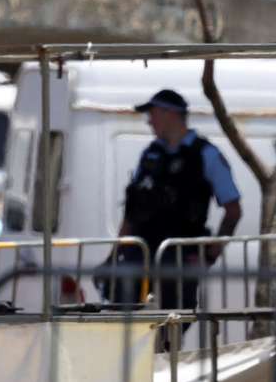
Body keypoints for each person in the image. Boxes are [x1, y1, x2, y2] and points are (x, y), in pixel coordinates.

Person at [102, 89, 242, 313]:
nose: (149, 121)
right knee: (122, 321)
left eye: (153, 113)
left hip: (179, 255)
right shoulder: (150, 154)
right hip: (141, 253)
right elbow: (132, 210)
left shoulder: (205, 154)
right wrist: (112, 256)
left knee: (173, 325)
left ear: (170, 114)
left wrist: (209, 256)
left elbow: (233, 210)